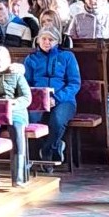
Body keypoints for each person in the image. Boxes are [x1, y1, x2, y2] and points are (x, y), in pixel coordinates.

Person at [24, 28, 81, 166]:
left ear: (57, 41)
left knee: (57, 119)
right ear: (38, 40)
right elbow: (26, 83)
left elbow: (74, 83)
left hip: (64, 100)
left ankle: (47, 151)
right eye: (43, 39)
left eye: (51, 39)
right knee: (31, 120)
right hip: (38, 100)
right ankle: (54, 146)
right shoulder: (31, 59)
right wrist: (38, 98)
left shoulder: (67, 56)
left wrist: (56, 98)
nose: (47, 42)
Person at [0, 45, 32, 184]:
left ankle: (18, 177)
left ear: (8, 60)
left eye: (0, 59)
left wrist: (14, 104)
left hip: (16, 112)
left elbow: (26, 98)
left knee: (17, 133)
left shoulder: (17, 76)